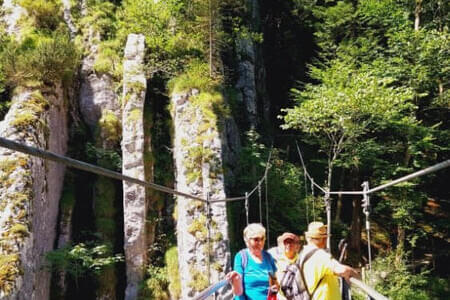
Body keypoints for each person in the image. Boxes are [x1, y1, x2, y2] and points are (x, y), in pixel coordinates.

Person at [300, 222, 358, 300]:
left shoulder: (303, 254)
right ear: (324, 239)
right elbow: (342, 270)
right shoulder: (321, 255)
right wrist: (356, 274)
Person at [233, 223, 278, 299]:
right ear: (247, 240)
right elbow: (238, 291)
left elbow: (275, 281)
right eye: (256, 239)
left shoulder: (268, 257)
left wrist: (275, 286)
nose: (260, 243)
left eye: (262, 238)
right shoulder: (241, 257)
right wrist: (235, 279)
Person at [273, 232, 302, 300]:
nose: (288, 245)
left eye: (291, 242)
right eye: (286, 243)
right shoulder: (276, 261)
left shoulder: (302, 260)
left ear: (296, 245)